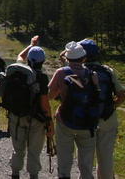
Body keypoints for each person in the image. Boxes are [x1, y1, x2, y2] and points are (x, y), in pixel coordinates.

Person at [48, 41, 99, 179]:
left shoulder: (61, 73)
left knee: (65, 157)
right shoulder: (92, 74)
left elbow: (49, 96)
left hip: (65, 120)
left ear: (67, 58)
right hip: (87, 122)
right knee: (86, 163)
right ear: (84, 58)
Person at [79, 38, 125, 179]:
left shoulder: (78, 71)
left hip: (86, 120)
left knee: (85, 157)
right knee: (105, 157)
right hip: (107, 118)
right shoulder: (107, 70)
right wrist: (113, 106)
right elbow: (122, 94)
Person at [8, 36, 52, 179]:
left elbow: (20, 55)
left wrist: (31, 44)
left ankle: (15, 173)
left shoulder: (20, 70)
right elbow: (45, 103)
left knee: (17, 147)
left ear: (29, 59)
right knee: (34, 149)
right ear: (42, 61)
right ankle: (33, 175)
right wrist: (50, 122)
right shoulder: (42, 78)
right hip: (36, 119)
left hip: (17, 115)